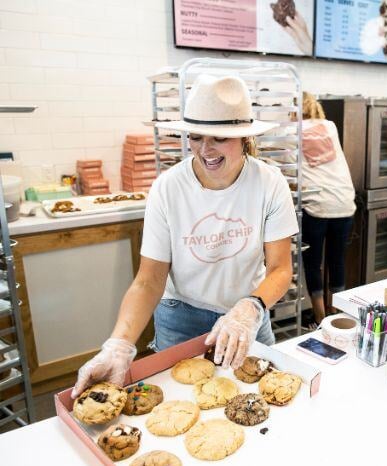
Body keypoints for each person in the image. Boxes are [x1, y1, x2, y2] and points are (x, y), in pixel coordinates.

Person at [71, 75, 298, 398]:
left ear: (244, 139)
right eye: (195, 136)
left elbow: (280, 269)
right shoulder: (168, 188)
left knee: (260, 402)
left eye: (218, 138)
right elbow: (149, 281)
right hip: (182, 318)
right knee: (182, 406)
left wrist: (249, 309)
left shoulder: (268, 183)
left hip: (249, 315)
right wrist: (119, 344)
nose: (205, 150)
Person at [297, 92, 356, 327]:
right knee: (337, 260)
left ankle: (320, 316)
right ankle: (335, 312)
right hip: (344, 202)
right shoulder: (330, 127)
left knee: (313, 262)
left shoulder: (293, 130)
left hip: (317, 206)